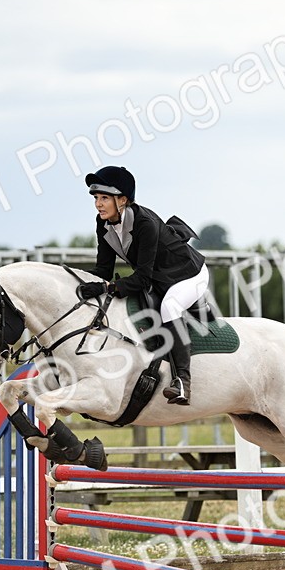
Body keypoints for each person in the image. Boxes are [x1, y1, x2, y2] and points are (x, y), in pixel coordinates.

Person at [78, 165, 209, 405]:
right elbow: (103, 271)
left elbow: (142, 279)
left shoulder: (145, 223)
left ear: (123, 200)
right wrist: (77, 280)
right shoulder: (103, 223)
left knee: (170, 307)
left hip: (188, 274)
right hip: (159, 276)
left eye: (104, 198)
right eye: (96, 198)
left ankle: (182, 382)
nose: (98, 204)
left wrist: (107, 288)